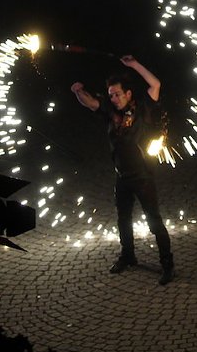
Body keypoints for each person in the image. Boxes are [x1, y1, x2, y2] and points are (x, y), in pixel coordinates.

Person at [70, 55, 174, 285]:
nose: (114, 99)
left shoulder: (144, 107)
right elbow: (90, 103)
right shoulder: (109, 110)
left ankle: (168, 265)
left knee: (154, 221)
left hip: (142, 177)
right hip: (122, 176)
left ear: (128, 93)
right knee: (123, 219)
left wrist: (135, 65)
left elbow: (156, 84)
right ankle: (128, 256)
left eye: (117, 94)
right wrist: (78, 91)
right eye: (111, 95)